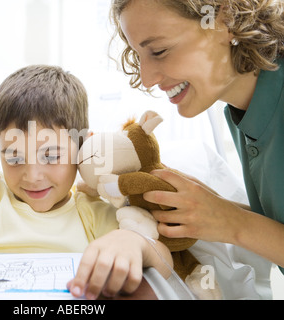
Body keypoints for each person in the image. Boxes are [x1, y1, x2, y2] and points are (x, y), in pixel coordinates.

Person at [0, 64, 173, 299]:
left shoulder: (92, 212)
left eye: (50, 156)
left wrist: (136, 243)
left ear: (82, 148)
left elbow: (164, 263)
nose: (32, 176)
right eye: (13, 158)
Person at [109, 0, 284, 275]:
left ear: (223, 19)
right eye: (138, 54)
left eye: (159, 50)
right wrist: (211, 209)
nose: (147, 78)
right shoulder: (243, 110)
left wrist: (233, 222)